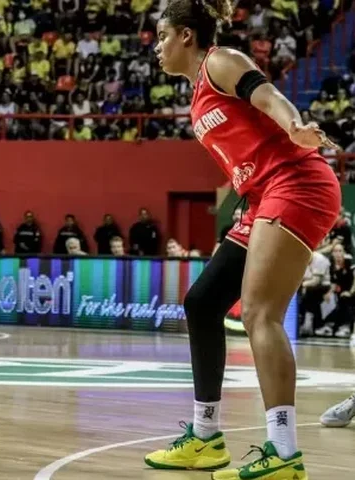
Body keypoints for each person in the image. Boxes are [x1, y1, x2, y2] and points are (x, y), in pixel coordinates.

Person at [144, 1, 341, 479]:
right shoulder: (196, 97)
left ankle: (283, 453)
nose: (157, 48)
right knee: (203, 302)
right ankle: (206, 438)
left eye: (163, 37)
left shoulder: (219, 62)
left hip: (297, 184)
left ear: (187, 36)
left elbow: (268, 95)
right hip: (262, 197)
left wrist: (294, 126)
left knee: (258, 312)